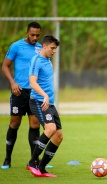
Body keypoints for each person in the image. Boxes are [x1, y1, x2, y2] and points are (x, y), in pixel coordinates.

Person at [1, 22, 42, 169]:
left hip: (34, 92)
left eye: (38, 35)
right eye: (32, 35)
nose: (35, 37)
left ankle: (34, 161)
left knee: (35, 124)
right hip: (19, 91)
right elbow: (5, 66)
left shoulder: (41, 48)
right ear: (26, 33)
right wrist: (12, 82)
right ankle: (7, 159)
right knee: (14, 124)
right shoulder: (16, 46)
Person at [26, 35, 62, 178]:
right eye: (52, 48)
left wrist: (50, 99)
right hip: (39, 102)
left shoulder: (48, 61)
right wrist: (45, 95)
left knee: (58, 136)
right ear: (45, 46)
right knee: (51, 129)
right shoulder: (36, 60)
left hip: (49, 104)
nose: (54, 51)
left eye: (55, 49)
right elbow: (32, 82)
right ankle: (32, 162)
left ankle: (41, 169)